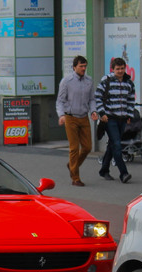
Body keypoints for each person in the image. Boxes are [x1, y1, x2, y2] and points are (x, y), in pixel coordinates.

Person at [56, 55, 99, 187]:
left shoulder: (89, 81)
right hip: (70, 117)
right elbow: (60, 100)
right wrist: (61, 115)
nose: (83, 68)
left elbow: (92, 99)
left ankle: (72, 165)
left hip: (84, 116)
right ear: (74, 67)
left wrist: (93, 111)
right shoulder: (67, 81)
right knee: (74, 148)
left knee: (87, 147)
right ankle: (75, 178)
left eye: (85, 66)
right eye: (81, 66)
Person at [95, 57, 135, 184]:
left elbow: (130, 101)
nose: (120, 71)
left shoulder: (129, 82)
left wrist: (129, 115)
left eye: (122, 68)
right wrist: (102, 113)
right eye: (117, 69)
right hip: (110, 118)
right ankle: (124, 173)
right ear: (113, 69)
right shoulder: (106, 80)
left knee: (113, 145)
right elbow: (98, 97)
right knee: (117, 144)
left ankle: (104, 170)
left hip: (122, 119)